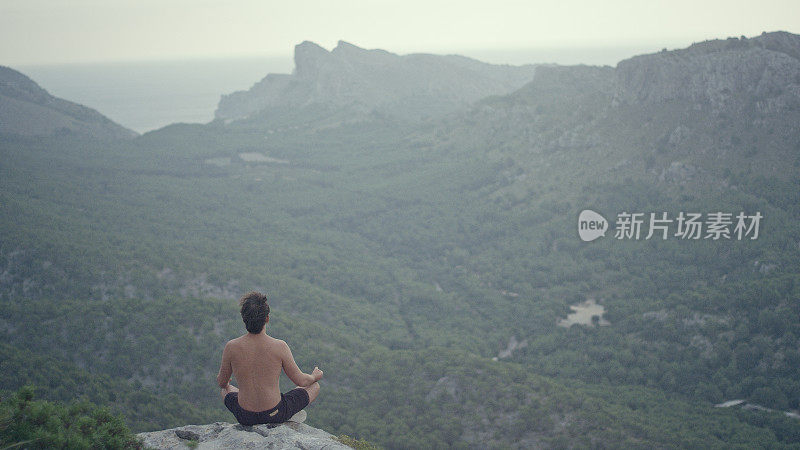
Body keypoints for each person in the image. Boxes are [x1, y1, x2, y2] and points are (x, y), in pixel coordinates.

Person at [217, 291, 322, 425]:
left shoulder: (231, 347)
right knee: (314, 386)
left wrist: (226, 384)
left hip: (245, 417)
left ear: (244, 318)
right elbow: (302, 381)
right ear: (267, 318)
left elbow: (221, 383)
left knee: (225, 390)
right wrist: (315, 376)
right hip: (274, 414)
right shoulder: (279, 346)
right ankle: (288, 415)